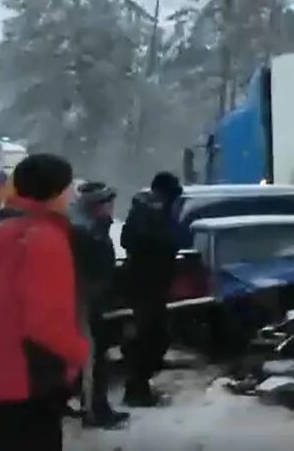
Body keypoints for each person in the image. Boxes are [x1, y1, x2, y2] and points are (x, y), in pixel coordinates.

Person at [0, 154, 88, 451]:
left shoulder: (2, 233)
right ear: (55, 193)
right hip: (26, 385)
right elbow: (45, 323)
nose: (72, 195)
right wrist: (78, 355)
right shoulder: (45, 239)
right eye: (68, 188)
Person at [120, 172, 183, 407]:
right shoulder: (144, 212)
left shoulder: (161, 212)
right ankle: (136, 388)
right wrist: (160, 243)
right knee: (147, 338)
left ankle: (140, 385)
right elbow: (130, 240)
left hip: (155, 284)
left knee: (156, 337)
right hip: (143, 284)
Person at [70, 182, 130, 429]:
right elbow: (86, 269)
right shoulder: (84, 230)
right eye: (107, 203)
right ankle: (94, 411)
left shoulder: (95, 227)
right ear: (96, 205)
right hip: (85, 301)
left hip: (95, 299)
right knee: (91, 359)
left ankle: (98, 405)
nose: (111, 207)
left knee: (98, 357)